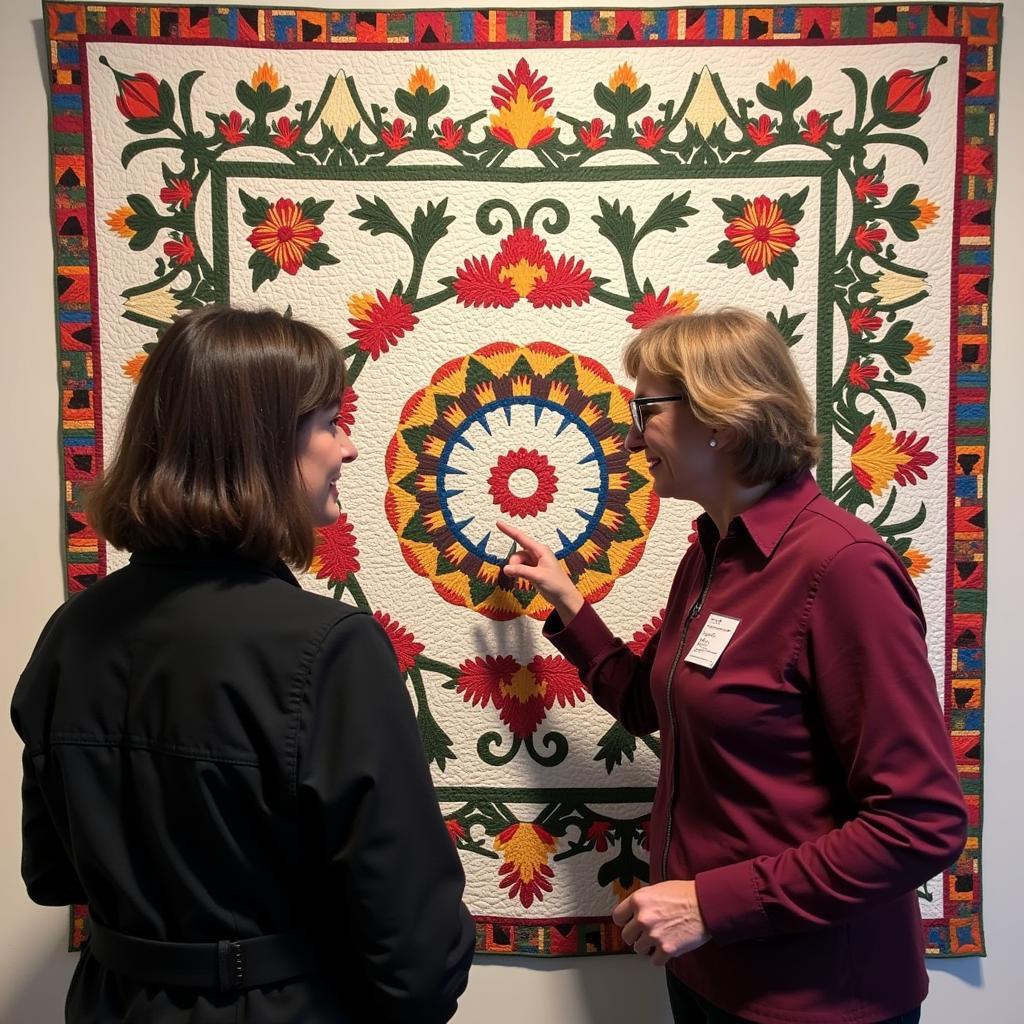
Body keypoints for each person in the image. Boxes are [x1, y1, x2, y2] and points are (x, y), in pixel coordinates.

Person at [498, 308, 967, 1024]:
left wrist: (709, 903)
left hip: (816, 998)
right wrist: (568, 603)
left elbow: (921, 823)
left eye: (644, 409)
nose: (629, 438)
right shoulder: (715, 552)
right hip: (709, 973)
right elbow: (648, 704)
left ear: (720, 417)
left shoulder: (841, 569)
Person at [11, 305, 474, 1023]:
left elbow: (52, 873)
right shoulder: (330, 649)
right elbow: (417, 954)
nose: (347, 448)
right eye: (328, 421)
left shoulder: (72, 631)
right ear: (258, 446)